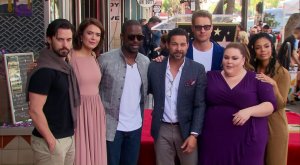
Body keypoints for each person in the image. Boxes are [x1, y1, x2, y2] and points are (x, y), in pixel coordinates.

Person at [199, 42, 277, 165]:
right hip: (214, 139)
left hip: (247, 141)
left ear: (243, 60)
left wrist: (249, 111)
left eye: (235, 58)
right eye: (226, 58)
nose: (229, 61)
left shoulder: (257, 79)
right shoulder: (210, 76)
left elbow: (271, 105)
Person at [148, 28, 207, 165]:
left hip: (186, 129)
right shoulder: (154, 67)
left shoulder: (197, 69)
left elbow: (200, 105)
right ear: (167, 45)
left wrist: (194, 134)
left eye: (182, 44)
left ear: (188, 45)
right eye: (174, 44)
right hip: (162, 128)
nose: (178, 48)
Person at [27, 19, 79, 165]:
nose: (65, 44)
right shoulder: (44, 70)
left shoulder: (64, 66)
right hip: (50, 141)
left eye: (69, 40)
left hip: (67, 136)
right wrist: (51, 141)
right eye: (60, 39)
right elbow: (34, 110)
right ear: (49, 39)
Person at [98, 20, 150, 165]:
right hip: (111, 128)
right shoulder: (105, 60)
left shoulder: (146, 62)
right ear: (122, 36)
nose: (135, 41)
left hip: (135, 127)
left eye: (139, 37)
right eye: (131, 37)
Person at [248, 33, 290, 165]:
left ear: (272, 47)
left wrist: (273, 84)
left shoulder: (282, 73)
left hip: (274, 125)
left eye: (266, 46)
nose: (263, 50)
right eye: (258, 47)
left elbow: (281, 104)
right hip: (254, 124)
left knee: (274, 161)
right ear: (253, 50)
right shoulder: (251, 70)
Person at [71, 18, 107, 165]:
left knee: (95, 152)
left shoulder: (94, 56)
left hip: (96, 110)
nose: (94, 38)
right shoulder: (70, 56)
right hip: (78, 109)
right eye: (90, 33)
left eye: (98, 35)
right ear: (81, 35)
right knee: (81, 153)